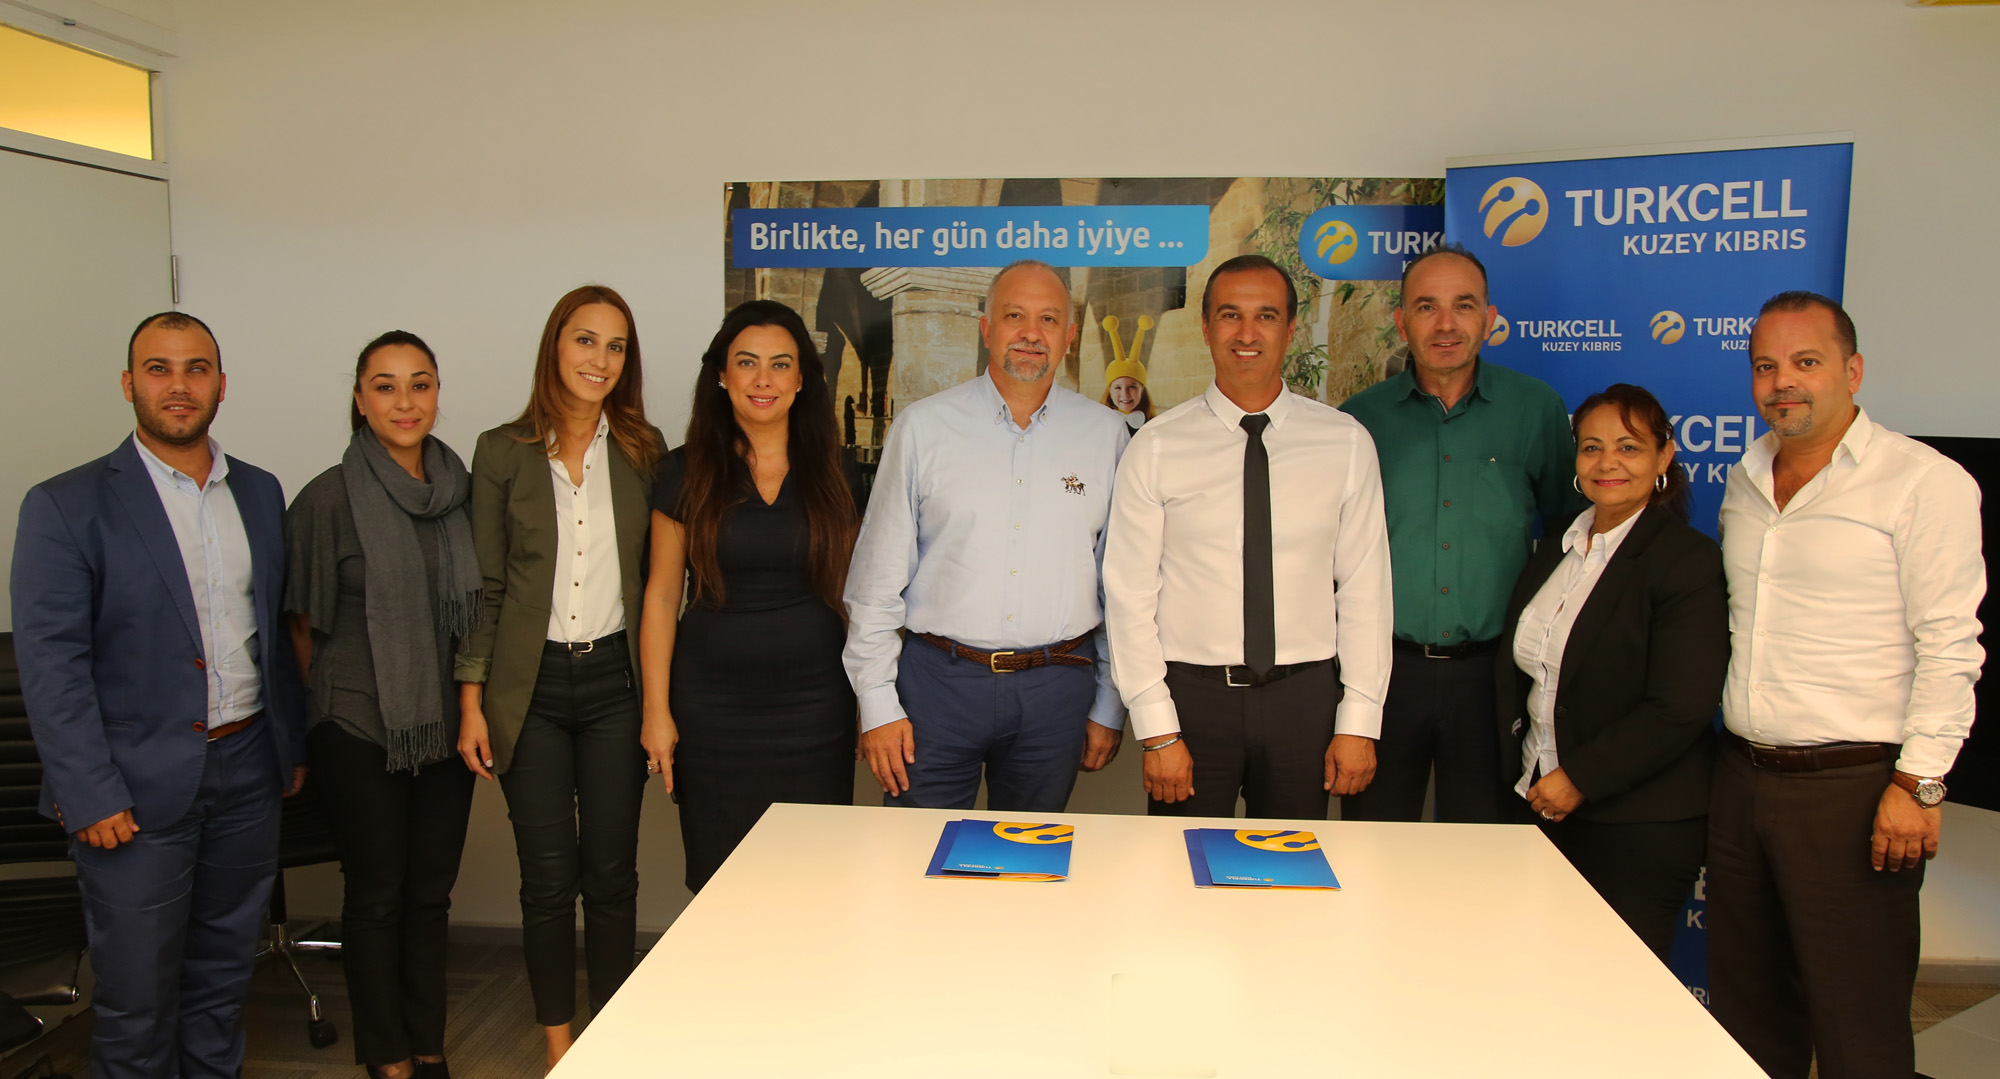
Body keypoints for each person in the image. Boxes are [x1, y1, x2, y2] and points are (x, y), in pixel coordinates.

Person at [11, 311, 308, 1079]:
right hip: (131, 789)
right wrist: (88, 790)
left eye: (196, 368)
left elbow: (271, 630)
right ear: (128, 383)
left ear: (220, 384)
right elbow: (52, 664)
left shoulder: (259, 491)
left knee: (222, 982)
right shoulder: (66, 504)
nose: (179, 385)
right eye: (159, 368)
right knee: (138, 999)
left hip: (247, 770)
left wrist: (288, 746)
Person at [1708, 292, 1984, 1079]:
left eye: (1806, 362)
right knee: (1748, 1018)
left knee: (1859, 1026)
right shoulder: (1744, 477)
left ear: (1853, 371)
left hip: (1855, 791)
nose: (1782, 382)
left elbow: (1951, 643)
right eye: (1766, 366)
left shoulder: (1922, 482)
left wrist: (1919, 782)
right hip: (1742, 780)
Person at [454, 285, 663, 1070]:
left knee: (610, 874)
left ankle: (611, 1037)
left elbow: (659, 583)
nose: (599, 359)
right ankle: (557, 1044)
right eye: (585, 339)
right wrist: (472, 700)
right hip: (528, 690)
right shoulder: (500, 451)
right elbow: (486, 586)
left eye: (615, 346)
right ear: (555, 346)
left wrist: (661, 700)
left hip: (615, 686)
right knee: (546, 880)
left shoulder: (644, 450)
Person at [1105, 254, 1392, 817]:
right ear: (1206, 327)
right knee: (1178, 861)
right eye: (1230, 315)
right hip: (1192, 701)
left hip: (1304, 701)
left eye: (1266, 316)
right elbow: (1129, 594)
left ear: (1290, 328)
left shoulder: (1346, 443)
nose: (1247, 333)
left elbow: (1365, 590)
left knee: (1289, 863)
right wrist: (1157, 729)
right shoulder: (1156, 446)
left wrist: (1359, 720)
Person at [844, 259, 1130, 810]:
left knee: (1027, 855)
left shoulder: (1106, 435)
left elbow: (1116, 585)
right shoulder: (923, 429)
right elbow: (875, 582)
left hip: (1057, 689)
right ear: (986, 328)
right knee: (916, 850)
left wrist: (1108, 703)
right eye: (1014, 315)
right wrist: (876, 701)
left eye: (1048, 319)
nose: (1031, 333)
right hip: (936, 686)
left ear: (1069, 336)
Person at [283, 331, 479, 1079]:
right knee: (376, 894)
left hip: (445, 722)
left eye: (419, 384)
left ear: (437, 394)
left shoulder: (460, 491)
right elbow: (300, 628)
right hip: (359, 722)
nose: (405, 401)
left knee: (430, 893)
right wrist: (328, 712)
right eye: (386, 385)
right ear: (360, 400)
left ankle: (428, 1046)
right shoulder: (327, 498)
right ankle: (386, 1058)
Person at [1338, 243, 1583, 823]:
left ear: (1489, 318)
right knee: (1372, 840)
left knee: (1484, 848)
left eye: (1464, 305)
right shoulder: (1359, 421)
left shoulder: (1535, 409)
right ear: (1401, 322)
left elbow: (1569, 540)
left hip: (1493, 678)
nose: (1446, 324)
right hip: (1384, 675)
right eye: (1427, 306)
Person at [1494, 383, 1727, 961]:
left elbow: (1680, 706)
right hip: (1539, 803)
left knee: (1616, 985)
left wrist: (1578, 779)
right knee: (1536, 974)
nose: (1608, 463)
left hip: (1637, 825)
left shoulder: (1687, 560)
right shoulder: (1557, 546)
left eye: (1629, 447)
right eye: (1592, 447)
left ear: (1664, 457)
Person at [640, 300, 863, 893]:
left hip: (817, 705)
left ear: (802, 379)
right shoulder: (683, 471)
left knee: (814, 879)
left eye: (780, 364)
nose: (763, 379)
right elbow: (661, 597)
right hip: (712, 712)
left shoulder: (839, 472)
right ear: (721, 374)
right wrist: (656, 713)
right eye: (747, 362)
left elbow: (859, 597)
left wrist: (872, 698)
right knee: (723, 883)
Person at [1101, 356, 1153, 431]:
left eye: (1132, 387)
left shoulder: (1153, 425)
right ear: (1110, 391)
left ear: (1142, 390)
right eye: (1118, 388)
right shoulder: (1101, 424)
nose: (1125, 394)